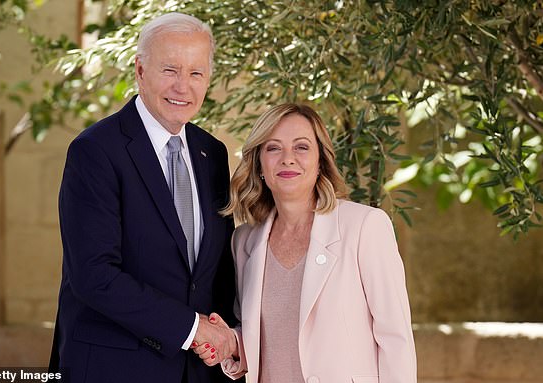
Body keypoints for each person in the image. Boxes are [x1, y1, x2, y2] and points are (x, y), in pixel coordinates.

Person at [49, 12, 239, 383]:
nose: (183, 87)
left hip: (198, 371)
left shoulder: (211, 153)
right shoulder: (95, 151)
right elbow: (94, 275)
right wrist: (192, 329)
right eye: (170, 70)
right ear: (139, 70)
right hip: (113, 368)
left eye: (196, 73)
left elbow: (217, 272)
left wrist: (228, 337)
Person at [193, 103, 417, 382]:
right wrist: (232, 343)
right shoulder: (244, 242)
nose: (288, 158)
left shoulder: (365, 227)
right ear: (259, 163)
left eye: (301, 147)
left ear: (320, 160)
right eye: (273, 148)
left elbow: (396, 340)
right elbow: (267, 337)